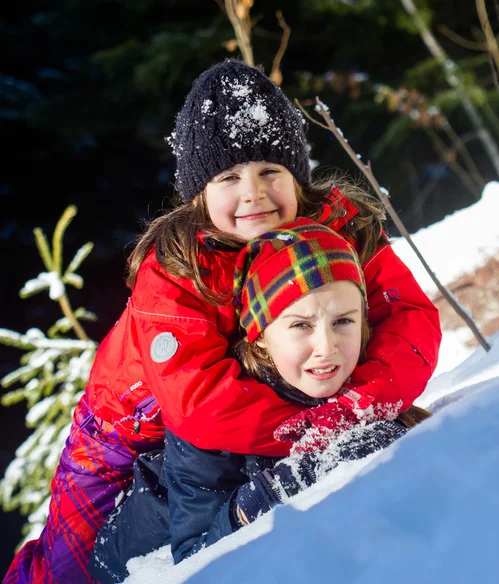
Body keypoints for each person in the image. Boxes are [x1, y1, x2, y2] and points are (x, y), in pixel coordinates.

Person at [4, 59, 441, 584]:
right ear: (198, 195)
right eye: (229, 177)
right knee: (64, 569)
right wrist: (322, 432)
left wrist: (360, 407)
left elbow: (408, 319)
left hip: (246, 413)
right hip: (125, 430)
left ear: (298, 179)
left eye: (270, 173)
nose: (253, 193)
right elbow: (200, 402)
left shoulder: (337, 230)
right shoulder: (177, 268)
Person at [89, 219, 432, 583]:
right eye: (301, 325)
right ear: (261, 336)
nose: (327, 346)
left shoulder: (360, 382)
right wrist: (280, 487)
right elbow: (195, 561)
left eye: (343, 321)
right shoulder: (210, 428)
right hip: (130, 562)